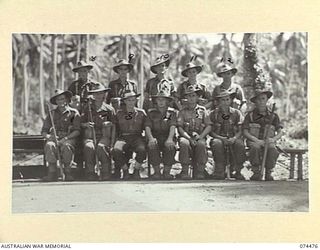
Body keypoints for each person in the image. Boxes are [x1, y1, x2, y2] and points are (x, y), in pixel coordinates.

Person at [242, 88, 283, 181]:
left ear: (267, 100)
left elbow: (280, 132)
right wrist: (256, 140)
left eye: (263, 98)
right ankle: (256, 172)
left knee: (272, 149)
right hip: (254, 140)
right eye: (258, 99)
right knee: (255, 148)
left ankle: (269, 172)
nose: (261, 101)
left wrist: (273, 139)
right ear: (255, 101)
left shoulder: (273, 116)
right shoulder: (250, 115)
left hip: (269, 141)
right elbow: (245, 131)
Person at [41, 89, 81, 182]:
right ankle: (52, 172)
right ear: (56, 102)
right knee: (49, 145)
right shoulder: (52, 113)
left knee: (66, 146)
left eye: (62, 99)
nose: (61, 101)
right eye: (58, 100)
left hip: (69, 137)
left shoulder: (73, 113)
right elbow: (44, 131)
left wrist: (66, 138)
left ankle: (68, 172)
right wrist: (49, 137)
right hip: (55, 137)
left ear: (66, 100)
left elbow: (77, 131)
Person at [81, 82, 116, 181]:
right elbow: (80, 123)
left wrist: (112, 142)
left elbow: (114, 127)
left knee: (101, 148)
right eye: (96, 94)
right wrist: (86, 124)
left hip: (104, 136)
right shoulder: (87, 108)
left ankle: (106, 172)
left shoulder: (109, 109)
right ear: (93, 95)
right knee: (89, 148)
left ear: (104, 94)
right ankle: (90, 172)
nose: (98, 96)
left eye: (101, 93)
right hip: (90, 136)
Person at [209, 90, 246, 180]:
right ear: (219, 102)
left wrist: (234, 138)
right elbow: (211, 131)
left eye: (227, 99)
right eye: (223, 100)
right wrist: (221, 138)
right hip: (219, 138)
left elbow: (241, 130)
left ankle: (237, 171)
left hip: (233, 137)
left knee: (240, 144)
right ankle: (219, 170)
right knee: (216, 143)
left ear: (230, 101)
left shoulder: (236, 113)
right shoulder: (214, 114)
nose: (225, 102)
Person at [177, 85, 212, 180]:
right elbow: (180, 128)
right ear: (186, 98)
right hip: (186, 136)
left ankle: (200, 171)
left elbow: (208, 125)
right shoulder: (182, 111)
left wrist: (201, 136)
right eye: (189, 96)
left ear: (197, 97)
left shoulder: (202, 110)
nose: (191, 98)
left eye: (193, 96)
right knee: (184, 143)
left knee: (201, 144)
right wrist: (189, 138)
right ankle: (184, 171)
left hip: (199, 136)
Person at [145, 80, 177, 180]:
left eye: (163, 100)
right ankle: (157, 172)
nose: (161, 102)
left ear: (167, 101)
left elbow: (172, 126)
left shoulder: (172, 112)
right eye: (159, 100)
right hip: (155, 136)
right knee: (152, 146)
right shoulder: (151, 112)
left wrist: (170, 139)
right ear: (156, 101)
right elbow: (147, 127)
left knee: (171, 147)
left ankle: (167, 172)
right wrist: (150, 138)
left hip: (168, 135)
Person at [112, 90, 147, 180]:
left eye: (133, 100)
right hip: (123, 137)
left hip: (137, 137)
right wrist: (113, 142)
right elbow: (115, 129)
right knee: (116, 150)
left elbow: (146, 127)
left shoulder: (141, 113)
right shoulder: (119, 113)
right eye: (129, 100)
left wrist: (147, 139)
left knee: (142, 149)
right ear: (124, 101)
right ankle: (125, 170)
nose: (131, 102)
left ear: (136, 101)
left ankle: (136, 171)